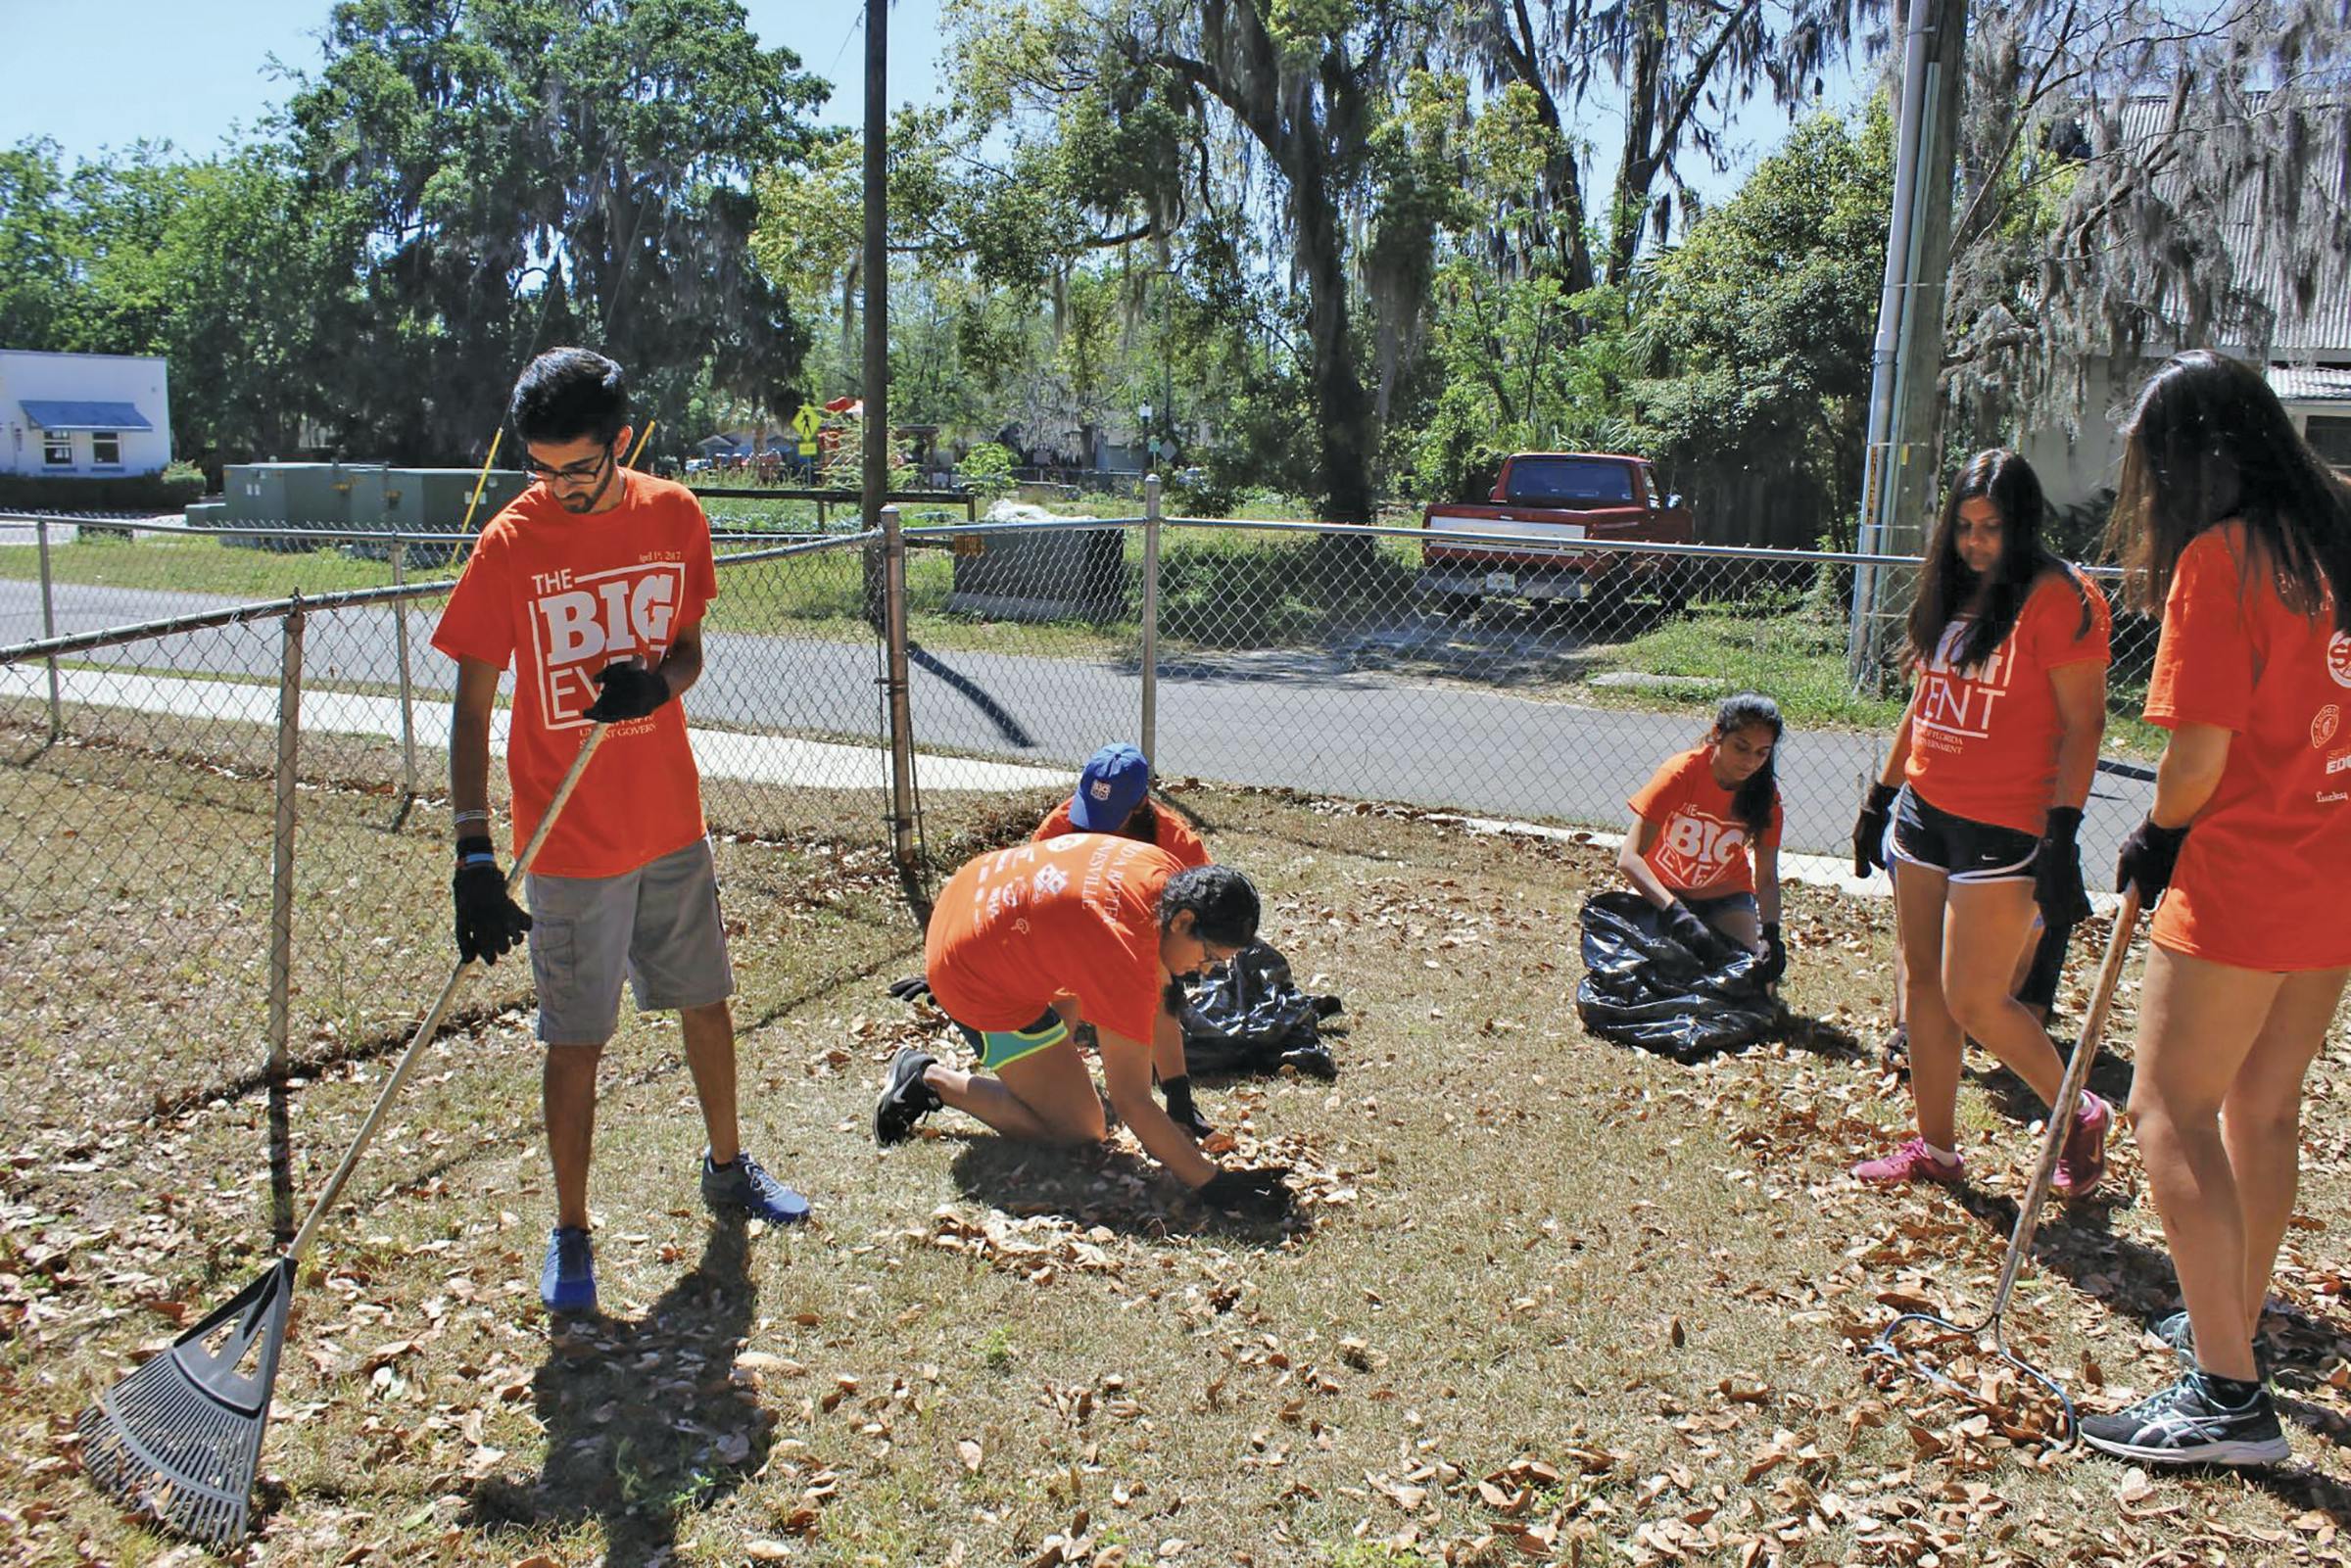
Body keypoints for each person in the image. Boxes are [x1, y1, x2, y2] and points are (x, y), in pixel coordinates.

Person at [431, 347, 809, 1315]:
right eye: (541, 467)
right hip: (570, 844)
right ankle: (570, 1229)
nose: (558, 486)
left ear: (624, 441)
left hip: (667, 821)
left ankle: (728, 1166)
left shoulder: (676, 516)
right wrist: (474, 849)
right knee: (575, 1038)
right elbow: (471, 707)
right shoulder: (511, 544)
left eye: (579, 467)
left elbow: (686, 649)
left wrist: (660, 685)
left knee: (705, 1001)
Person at [2077, 352, 2351, 1467]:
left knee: (2168, 1109)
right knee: (2263, 1108)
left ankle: (2228, 1393)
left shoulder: (2224, 558)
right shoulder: (2335, 538)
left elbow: (2198, 754)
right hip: (2333, 867)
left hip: (2245, 872)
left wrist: (2159, 830)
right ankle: (2230, 1312)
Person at [1847, 449, 2114, 1196]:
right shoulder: (1953, 590)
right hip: (1927, 813)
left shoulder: (2061, 596)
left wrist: (2062, 831)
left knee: (1976, 997)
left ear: (2022, 522)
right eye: (1963, 527)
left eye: (1991, 527)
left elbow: (2085, 724)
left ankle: (2079, 1111)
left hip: (2006, 824)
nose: (1975, 543)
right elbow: (1925, 700)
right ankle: (1936, 1148)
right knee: (1924, 989)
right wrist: (1882, 795)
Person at [872, 836, 1294, 1219]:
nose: (1205, 972)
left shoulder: (1165, 877)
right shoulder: (1123, 954)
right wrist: (1213, 1183)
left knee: (1072, 1068)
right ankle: (928, 1078)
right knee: (1081, 1129)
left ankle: (1045, 1075)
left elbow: (1163, 997)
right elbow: (1132, 1102)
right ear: (1184, 921)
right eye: (1209, 958)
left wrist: (1179, 1095)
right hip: (969, 972)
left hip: (971, 892)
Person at [1032, 743, 1215, 1135]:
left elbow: (1203, 899)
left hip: (1136, 934)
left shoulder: (1173, 838)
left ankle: (1180, 1101)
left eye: (1109, 817)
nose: (1095, 825)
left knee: (1157, 986)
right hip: (1075, 928)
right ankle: (1049, 1083)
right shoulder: (1062, 823)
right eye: (1091, 812)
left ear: (1141, 806)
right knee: (1063, 993)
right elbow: (1029, 885)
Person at [1616, 692, 1788, 983]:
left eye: (1762, 752)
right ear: (1717, 734)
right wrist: (1676, 913)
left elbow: (1767, 878)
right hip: (1663, 894)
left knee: (1749, 985)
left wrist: (1771, 933)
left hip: (1725, 895)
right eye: (1741, 747)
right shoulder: (1681, 773)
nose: (1750, 762)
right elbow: (1629, 859)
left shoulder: (1766, 796)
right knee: (1646, 979)